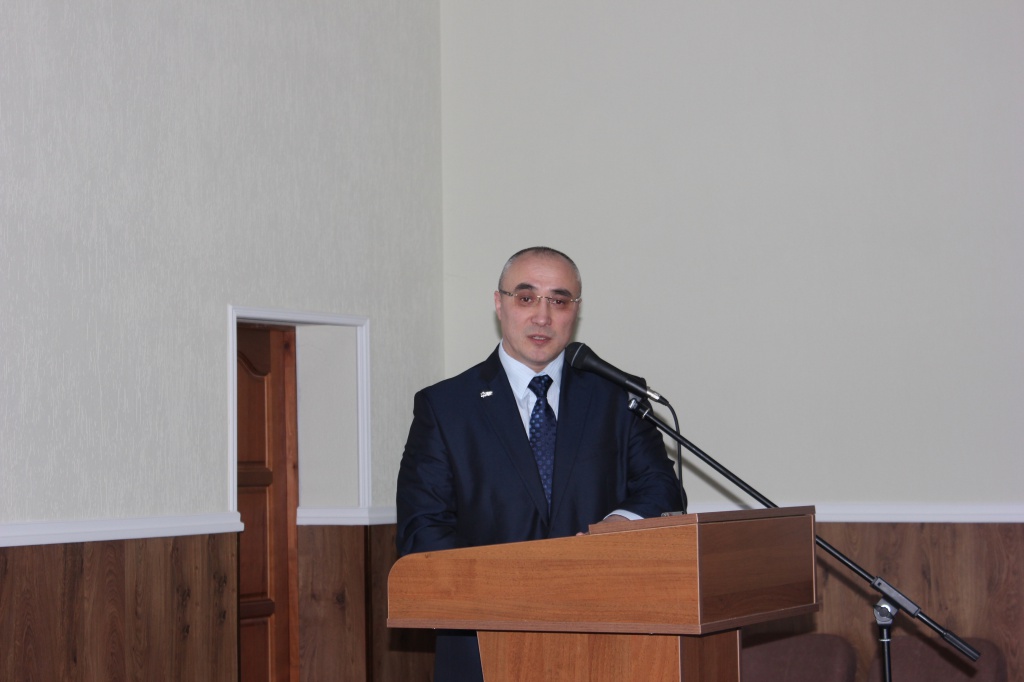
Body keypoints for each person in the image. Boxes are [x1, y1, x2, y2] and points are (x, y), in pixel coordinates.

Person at [396, 246, 685, 682]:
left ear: (576, 311)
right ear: (499, 304)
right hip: (486, 641)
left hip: (606, 637)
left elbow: (662, 488)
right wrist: (519, 589)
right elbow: (422, 529)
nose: (542, 316)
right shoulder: (446, 406)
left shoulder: (616, 397)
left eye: (559, 300)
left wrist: (616, 526)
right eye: (526, 298)